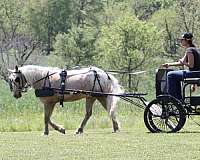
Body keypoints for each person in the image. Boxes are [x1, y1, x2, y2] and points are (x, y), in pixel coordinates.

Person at [162, 32, 200, 100]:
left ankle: (174, 99)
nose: (180, 41)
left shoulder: (189, 50)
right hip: (196, 73)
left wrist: (184, 62)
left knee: (170, 75)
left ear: (186, 40)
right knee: (174, 75)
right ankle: (178, 99)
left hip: (195, 73)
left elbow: (191, 65)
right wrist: (169, 64)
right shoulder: (193, 48)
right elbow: (182, 62)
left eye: (181, 40)